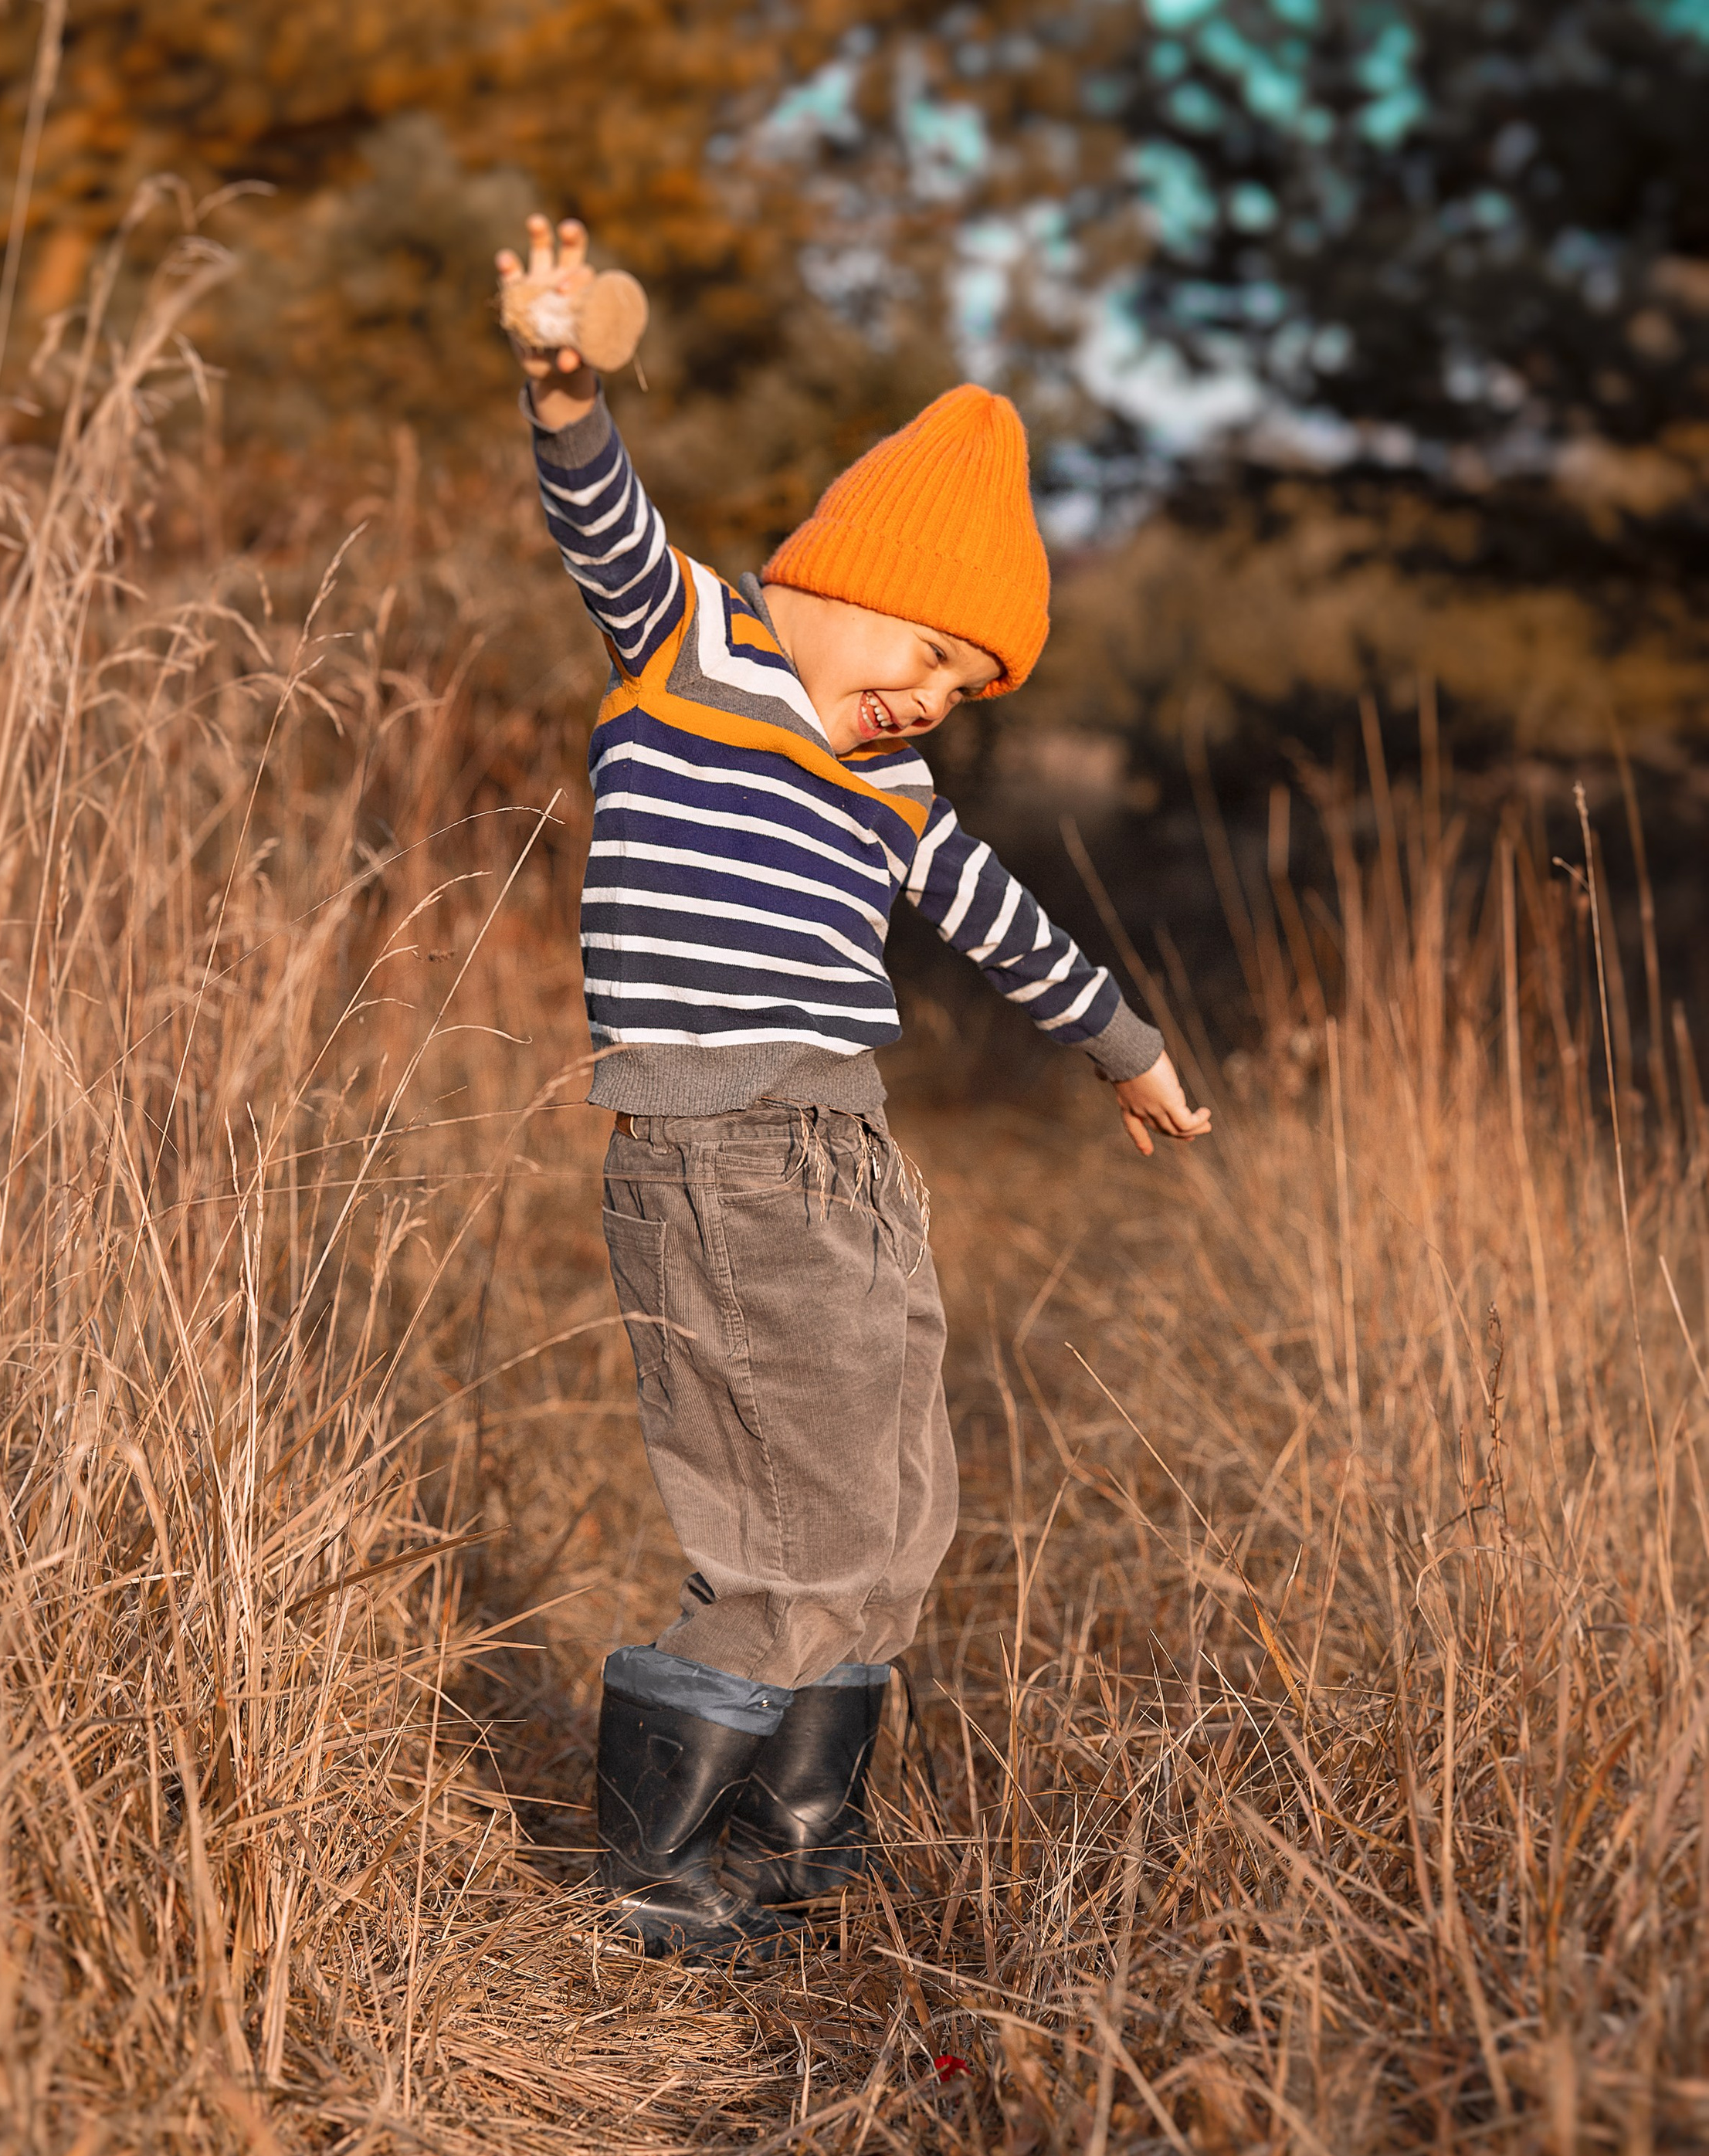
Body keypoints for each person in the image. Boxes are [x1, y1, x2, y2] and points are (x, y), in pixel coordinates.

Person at [497, 215, 1212, 1964]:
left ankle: (799, 1823)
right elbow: (600, 522)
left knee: (897, 1507)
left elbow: (1001, 920)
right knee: (783, 1523)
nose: (925, 701)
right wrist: (563, 383)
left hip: (846, 1150)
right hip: (719, 1153)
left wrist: (1123, 1047)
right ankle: (657, 1866)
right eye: (925, 649)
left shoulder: (888, 795)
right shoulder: (691, 653)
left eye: (966, 689)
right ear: (829, 574)